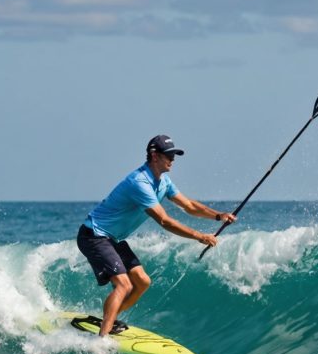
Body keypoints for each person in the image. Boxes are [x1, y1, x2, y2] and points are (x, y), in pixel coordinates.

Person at [76, 134, 236, 337]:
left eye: (174, 155)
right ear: (154, 156)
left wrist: (218, 216)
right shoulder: (139, 183)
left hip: (112, 238)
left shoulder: (163, 182)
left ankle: (110, 318)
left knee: (142, 282)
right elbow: (164, 221)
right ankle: (102, 339)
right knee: (124, 284)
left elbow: (189, 205)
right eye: (168, 155)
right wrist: (199, 236)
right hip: (94, 235)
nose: (173, 159)